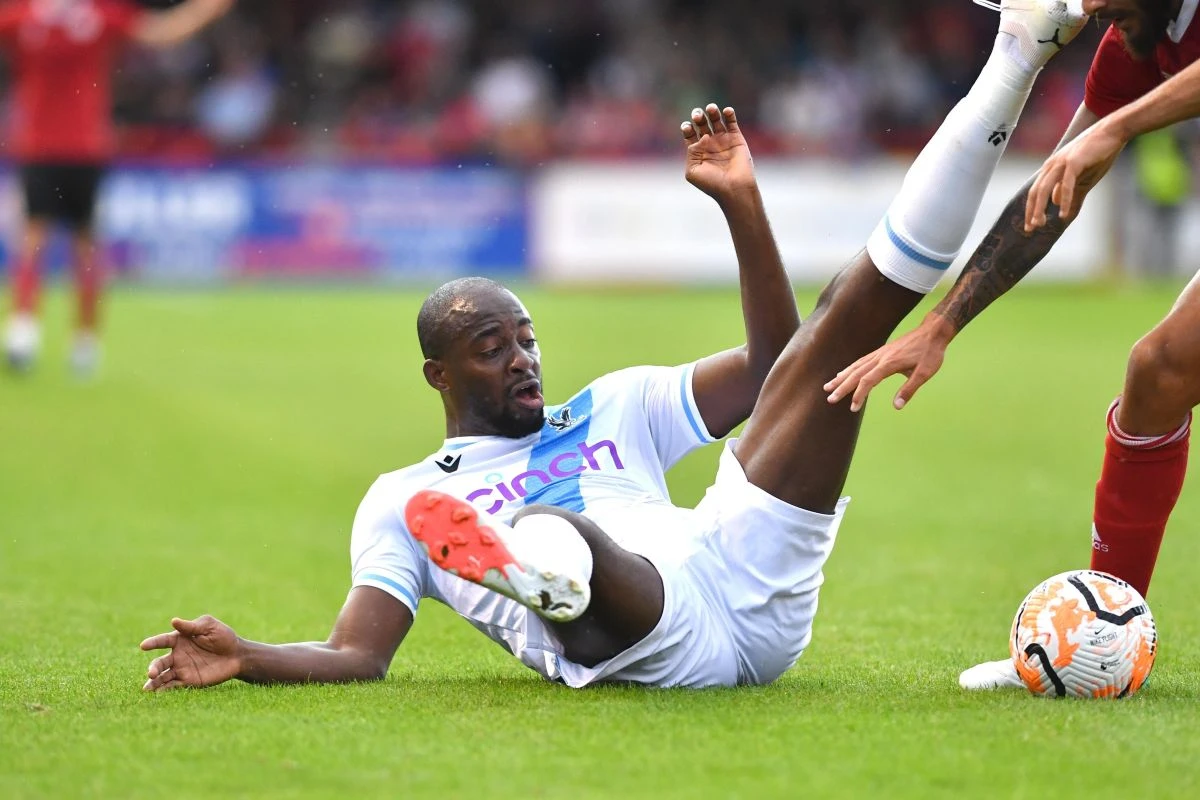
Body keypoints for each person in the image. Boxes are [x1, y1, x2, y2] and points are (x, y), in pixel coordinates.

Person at [139, 0, 1087, 691]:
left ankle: (1016, 50)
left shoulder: (616, 404)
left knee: (847, 327)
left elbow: (773, 373)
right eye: (489, 347)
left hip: (742, 573)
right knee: (569, 544)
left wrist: (744, 211)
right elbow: (358, 655)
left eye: (525, 337)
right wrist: (249, 656)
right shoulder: (405, 503)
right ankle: (541, 572)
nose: (522, 358)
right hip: (649, 639)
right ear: (438, 374)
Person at [823, 0, 1200, 690]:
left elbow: (1103, 139)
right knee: (1158, 371)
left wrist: (1116, 126)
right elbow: (1058, 188)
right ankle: (1100, 639)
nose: (1092, 11)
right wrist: (942, 324)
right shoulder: (1130, 48)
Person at [0, 0, 235, 377]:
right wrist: (208, 7)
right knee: (87, 247)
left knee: (31, 240)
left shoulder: (23, 15)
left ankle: (22, 333)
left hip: (37, 146)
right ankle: (85, 345)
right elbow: (163, 33)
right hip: (86, 148)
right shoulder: (100, 15)